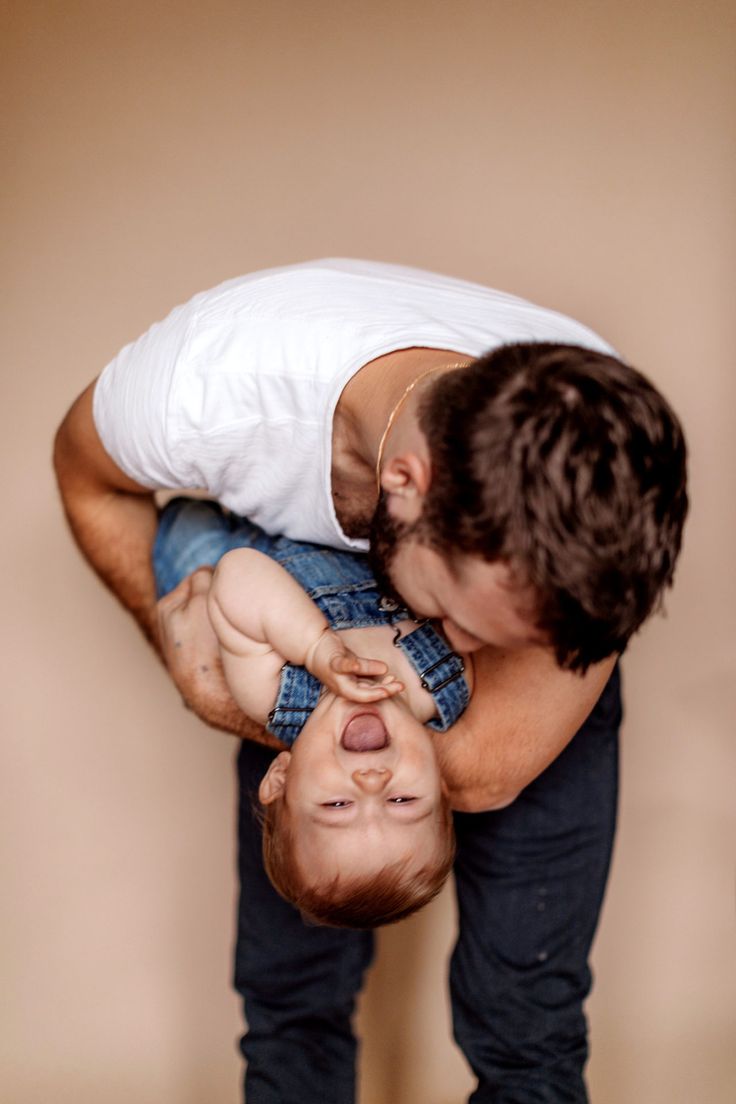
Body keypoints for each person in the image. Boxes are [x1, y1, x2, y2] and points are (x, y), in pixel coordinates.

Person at [53, 258, 688, 1102]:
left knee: (527, 1017)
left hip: (306, 687)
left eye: (509, 640)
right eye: (460, 619)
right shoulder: (205, 385)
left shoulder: (602, 455)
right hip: (286, 632)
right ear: (405, 483)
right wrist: (191, 654)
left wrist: (255, 707)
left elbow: (493, 771)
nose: (458, 648)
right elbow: (86, 479)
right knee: (293, 991)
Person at [155, 495, 464, 928]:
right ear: (442, 783)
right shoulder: (445, 681)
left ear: (281, 777)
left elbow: (240, 572)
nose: (371, 781)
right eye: (402, 800)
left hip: (241, 535)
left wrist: (317, 648)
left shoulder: (273, 691)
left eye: (338, 804)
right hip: (342, 510)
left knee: (186, 531)